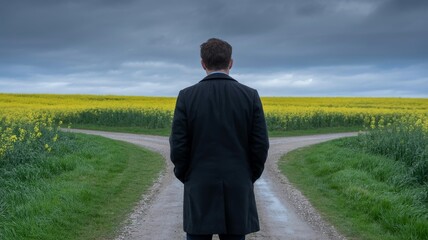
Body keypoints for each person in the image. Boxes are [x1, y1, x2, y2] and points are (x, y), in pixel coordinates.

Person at [170, 38, 269, 240]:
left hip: (199, 183)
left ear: (202, 64)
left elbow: (179, 146)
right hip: (238, 183)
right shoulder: (249, 95)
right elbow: (260, 145)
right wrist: (248, 175)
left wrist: (187, 175)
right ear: (230, 63)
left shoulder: (187, 96)